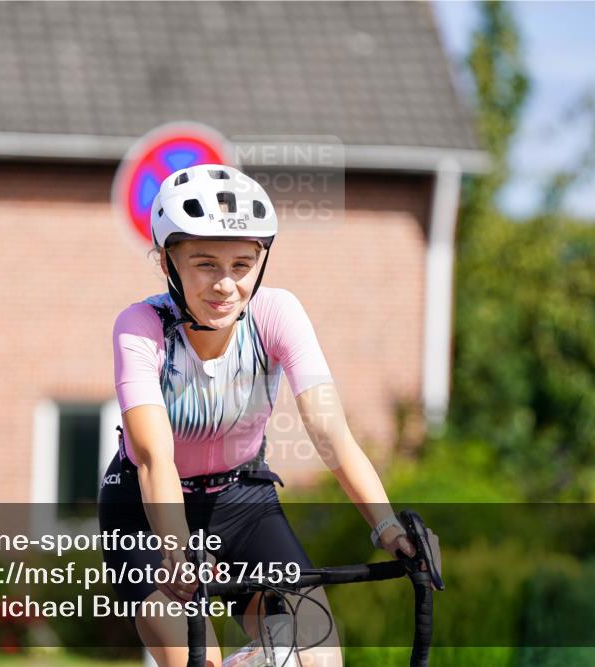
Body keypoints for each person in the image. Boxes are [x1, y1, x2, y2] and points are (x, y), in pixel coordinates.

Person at [98, 164, 434, 667]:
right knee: (199, 660)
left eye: (242, 264)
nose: (226, 285)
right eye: (205, 264)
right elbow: (153, 459)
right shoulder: (141, 327)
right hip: (146, 513)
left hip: (242, 501)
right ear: (169, 262)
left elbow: (330, 434)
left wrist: (388, 527)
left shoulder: (277, 314)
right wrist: (175, 550)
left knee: (318, 656)